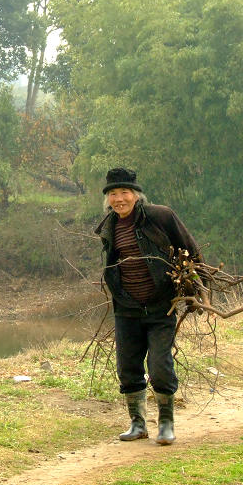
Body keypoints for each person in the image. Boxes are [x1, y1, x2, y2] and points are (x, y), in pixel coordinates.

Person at [95, 167, 202, 445]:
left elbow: (190, 249)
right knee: (128, 366)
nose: (119, 199)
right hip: (126, 308)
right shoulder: (109, 225)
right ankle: (138, 424)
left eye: (124, 193)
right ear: (108, 199)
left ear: (136, 195)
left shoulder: (160, 217)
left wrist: (194, 285)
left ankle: (166, 423)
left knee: (159, 366)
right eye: (113, 194)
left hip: (159, 306)